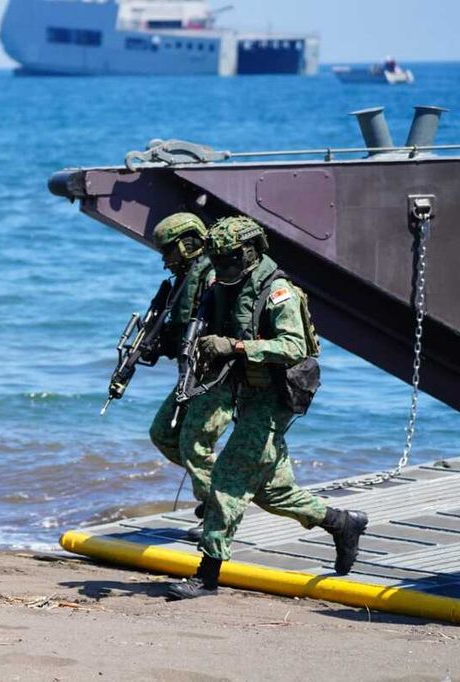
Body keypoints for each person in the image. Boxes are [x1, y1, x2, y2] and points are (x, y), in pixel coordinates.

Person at [167, 216, 368, 600]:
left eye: (229, 259)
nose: (222, 267)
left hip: (273, 399)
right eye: (218, 260)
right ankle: (342, 524)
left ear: (249, 252)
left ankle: (207, 574)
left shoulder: (278, 292)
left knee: (227, 479)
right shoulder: (224, 284)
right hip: (246, 393)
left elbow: (295, 347)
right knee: (273, 492)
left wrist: (238, 347)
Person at [144, 213, 233, 541]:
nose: (165, 260)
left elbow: (222, 326)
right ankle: (217, 491)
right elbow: (181, 331)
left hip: (218, 376)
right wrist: (157, 345)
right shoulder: (183, 281)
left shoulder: (214, 277)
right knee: (163, 434)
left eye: (169, 251)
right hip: (194, 374)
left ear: (188, 243)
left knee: (194, 444)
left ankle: (218, 513)